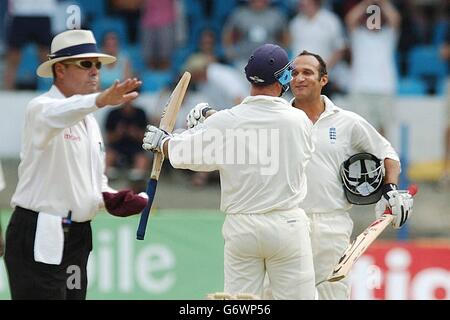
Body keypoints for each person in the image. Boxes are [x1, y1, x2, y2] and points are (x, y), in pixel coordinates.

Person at [188, 50, 414, 300]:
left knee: (331, 296)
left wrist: (390, 189)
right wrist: (210, 119)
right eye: (294, 73)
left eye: (307, 72)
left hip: (331, 226)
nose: (299, 78)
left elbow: (386, 153)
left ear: (323, 80)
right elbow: (242, 124)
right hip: (286, 223)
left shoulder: (347, 122)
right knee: (267, 298)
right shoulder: (276, 115)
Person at [143, 44, 316, 299]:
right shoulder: (299, 120)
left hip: (243, 228)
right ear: (284, 78)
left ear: (248, 77)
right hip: (287, 225)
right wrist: (213, 119)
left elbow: (190, 153)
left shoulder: (226, 123)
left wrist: (164, 143)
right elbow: (259, 130)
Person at [4, 29, 148, 300]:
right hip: (39, 230)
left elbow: (92, 180)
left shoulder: (90, 122)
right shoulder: (41, 107)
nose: (95, 71)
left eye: (97, 64)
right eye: (86, 64)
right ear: (60, 70)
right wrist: (101, 99)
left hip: (77, 236)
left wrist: (110, 198)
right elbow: (62, 112)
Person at [345, 0, 401, 136]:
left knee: (384, 129)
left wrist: (381, 2)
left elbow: (396, 19)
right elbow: (350, 19)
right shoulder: (358, 35)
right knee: (361, 129)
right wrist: (367, 3)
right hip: (361, 88)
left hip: (385, 88)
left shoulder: (388, 36)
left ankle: (384, 157)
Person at [104, 100, 150, 185]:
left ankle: (136, 182)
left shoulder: (140, 113)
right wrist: (118, 133)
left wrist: (135, 133)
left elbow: (145, 138)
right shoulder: (113, 113)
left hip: (135, 147)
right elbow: (108, 138)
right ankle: (106, 180)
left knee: (142, 159)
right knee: (108, 156)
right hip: (116, 146)